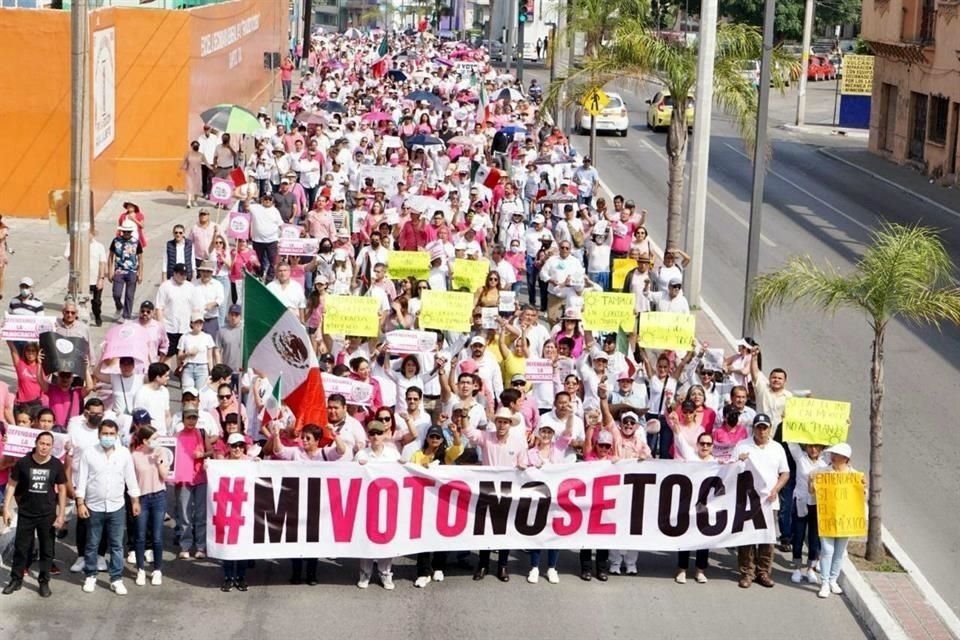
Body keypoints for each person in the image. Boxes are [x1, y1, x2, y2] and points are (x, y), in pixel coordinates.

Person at [76, 419, 141, 595]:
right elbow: (81, 480)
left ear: (117, 435)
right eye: (105, 433)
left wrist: (135, 501)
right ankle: (90, 575)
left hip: (116, 506)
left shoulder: (124, 454)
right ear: (99, 435)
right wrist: (80, 503)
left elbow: (131, 479)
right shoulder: (89, 453)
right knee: (92, 543)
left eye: (111, 434)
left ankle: (116, 579)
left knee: (116, 545)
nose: (108, 437)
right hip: (94, 506)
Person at [1, 431, 67, 598]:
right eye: (41, 443)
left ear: (52, 447)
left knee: (47, 549)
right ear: (36, 443)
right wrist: (6, 508)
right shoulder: (23, 463)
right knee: (21, 549)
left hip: (47, 514)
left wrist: (61, 515)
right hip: (26, 513)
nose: (44, 447)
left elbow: (62, 489)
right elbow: (11, 484)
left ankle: (43, 581)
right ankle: (16, 579)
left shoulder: (56, 465)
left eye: (48, 444)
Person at [734, 413, 790, 589]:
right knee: (747, 537)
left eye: (764, 427)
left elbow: (785, 473)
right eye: (758, 427)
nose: (761, 431)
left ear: (769, 429)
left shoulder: (777, 448)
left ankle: (763, 572)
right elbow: (731, 469)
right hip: (748, 499)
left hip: (768, 500)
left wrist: (776, 490)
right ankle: (747, 572)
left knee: (767, 538)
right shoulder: (742, 445)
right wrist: (738, 461)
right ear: (753, 428)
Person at [812, 442, 864, 598]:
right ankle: (825, 582)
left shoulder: (854, 476)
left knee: (839, 552)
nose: (833, 457)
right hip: (828, 518)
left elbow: (861, 496)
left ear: (846, 458)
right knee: (827, 551)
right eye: (832, 454)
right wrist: (812, 484)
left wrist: (863, 487)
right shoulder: (823, 473)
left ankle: (833, 580)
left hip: (845, 519)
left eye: (837, 455)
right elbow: (811, 490)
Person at [354, 420, 400, 590]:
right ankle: (365, 572)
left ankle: (385, 572)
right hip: (367, 504)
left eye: (378, 433)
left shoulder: (393, 454)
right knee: (367, 537)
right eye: (372, 433)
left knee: (387, 538)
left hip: (388, 503)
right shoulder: (361, 455)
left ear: (384, 435)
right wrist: (359, 468)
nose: (375, 436)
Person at [669, 422, 716, 584]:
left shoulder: (717, 463)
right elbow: (680, 438)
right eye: (702, 443)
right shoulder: (691, 457)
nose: (704, 446)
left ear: (712, 447)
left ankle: (700, 570)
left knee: (704, 539)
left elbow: (733, 466)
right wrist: (675, 421)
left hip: (706, 507)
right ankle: (682, 570)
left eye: (708, 444)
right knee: (686, 539)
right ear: (697, 445)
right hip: (688, 505)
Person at [130, 424, 168, 587]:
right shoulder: (135, 456)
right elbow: (131, 481)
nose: (156, 441)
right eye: (153, 439)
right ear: (145, 440)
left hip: (159, 496)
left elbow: (164, 475)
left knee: (158, 537)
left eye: (157, 438)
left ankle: (157, 569)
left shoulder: (161, 452)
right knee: (140, 535)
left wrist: (159, 461)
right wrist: (134, 501)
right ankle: (140, 569)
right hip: (142, 498)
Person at [219, 432, 254, 592]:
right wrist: (209, 466)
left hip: (245, 510)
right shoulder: (222, 464)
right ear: (229, 447)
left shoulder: (250, 462)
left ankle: (241, 576)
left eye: (241, 446)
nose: (238, 449)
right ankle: (228, 577)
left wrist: (259, 465)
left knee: (243, 546)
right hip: (227, 510)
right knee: (228, 545)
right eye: (234, 446)